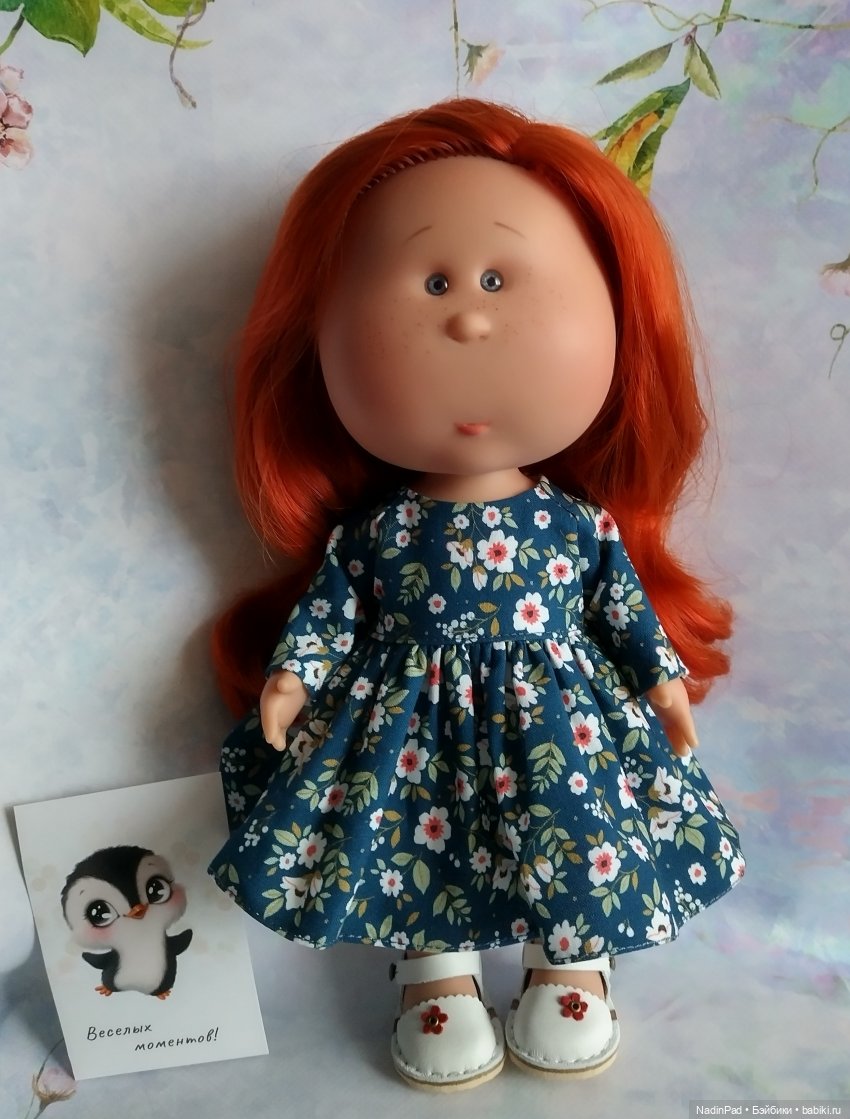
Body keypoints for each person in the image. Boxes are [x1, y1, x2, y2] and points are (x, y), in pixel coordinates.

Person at [207, 99, 745, 1090]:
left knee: (575, 831)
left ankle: (569, 962)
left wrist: (661, 684)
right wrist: (290, 680)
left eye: (499, 278)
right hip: (408, 725)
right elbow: (333, 612)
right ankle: (435, 972)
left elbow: (621, 608)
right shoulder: (379, 532)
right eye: (434, 282)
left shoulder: (577, 525)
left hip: (560, 724)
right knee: (416, 835)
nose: (469, 317)